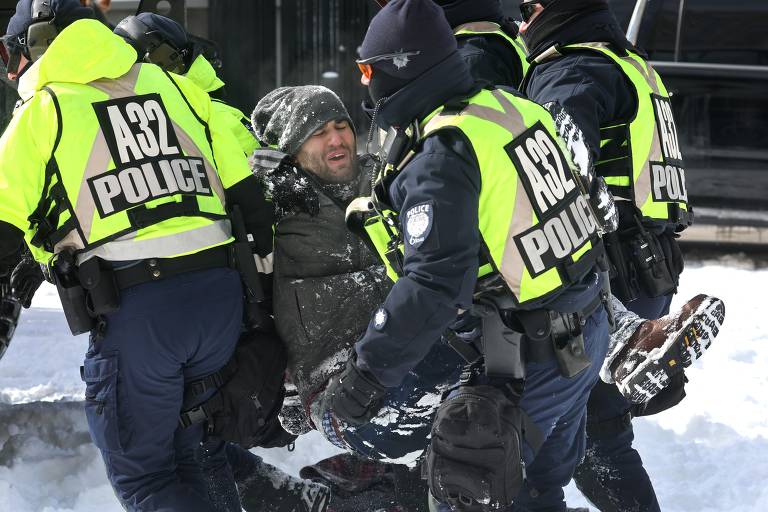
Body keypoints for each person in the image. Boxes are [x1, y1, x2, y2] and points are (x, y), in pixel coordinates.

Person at [0, 1, 274, 511]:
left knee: (146, 478)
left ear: (32, 47)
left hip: (138, 316)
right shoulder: (172, 86)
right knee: (194, 451)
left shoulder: (43, 110)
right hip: (218, 304)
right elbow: (248, 196)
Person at [518, 1, 701, 510]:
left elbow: (555, 171)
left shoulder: (574, 69)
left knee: (537, 450)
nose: (521, 23)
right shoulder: (630, 64)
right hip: (650, 271)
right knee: (599, 436)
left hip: (603, 283)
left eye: (528, 9)